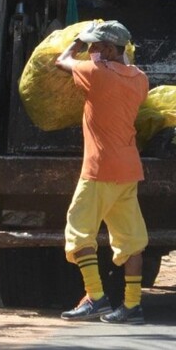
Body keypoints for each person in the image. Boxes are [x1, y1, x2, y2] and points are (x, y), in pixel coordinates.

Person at [54, 20, 149, 324]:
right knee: (131, 241)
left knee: (78, 233)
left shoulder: (95, 74)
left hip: (98, 170)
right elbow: (127, 66)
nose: (92, 51)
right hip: (128, 170)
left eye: (97, 46)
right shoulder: (140, 79)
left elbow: (61, 62)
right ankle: (132, 305)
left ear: (109, 49)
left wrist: (78, 43)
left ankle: (95, 297)